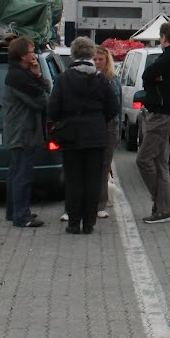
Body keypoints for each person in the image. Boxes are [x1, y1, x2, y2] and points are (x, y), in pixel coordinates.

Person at [47, 37, 118, 234]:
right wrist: (98, 119)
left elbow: (52, 109)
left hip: (71, 136)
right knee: (93, 180)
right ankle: (89, 223)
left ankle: (73, 222)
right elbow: (113, 108)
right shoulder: (100, 79)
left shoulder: (63, 79)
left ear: (73, 54)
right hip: (96, 136)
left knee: (73, 179)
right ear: (91, 55)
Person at [137, 22, 170, 224]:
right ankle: (165, 210)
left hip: (162, 113)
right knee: (160, 162)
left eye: (160, 37)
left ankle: (160, 202)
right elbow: (153, 74)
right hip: (168, 112)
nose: (160, 41)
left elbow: (148, 74)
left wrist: (155, 78)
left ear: (165, 36)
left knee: (144, 159)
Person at [3, 37, 50, 228]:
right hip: (23, 131)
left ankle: (14, 211)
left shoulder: (21, 74)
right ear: (23, 56)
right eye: (31, 51)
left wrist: (38, 75)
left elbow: (42, 89)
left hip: (18, 130)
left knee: (15, 172)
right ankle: (22, 216)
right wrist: (39, 80)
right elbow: (42, 100)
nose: (34, 54)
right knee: (22, 173)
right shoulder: (19, 78)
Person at [95, 44, 122, 219]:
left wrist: (117, 133)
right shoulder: (91, 78)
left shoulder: (112, 80)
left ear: (107, 61)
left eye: (101, 59)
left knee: (104, 167)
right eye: (95, 59)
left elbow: (116, 109)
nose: (97, 62)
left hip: (109, 126)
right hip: (93, 127)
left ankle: (100, 205)